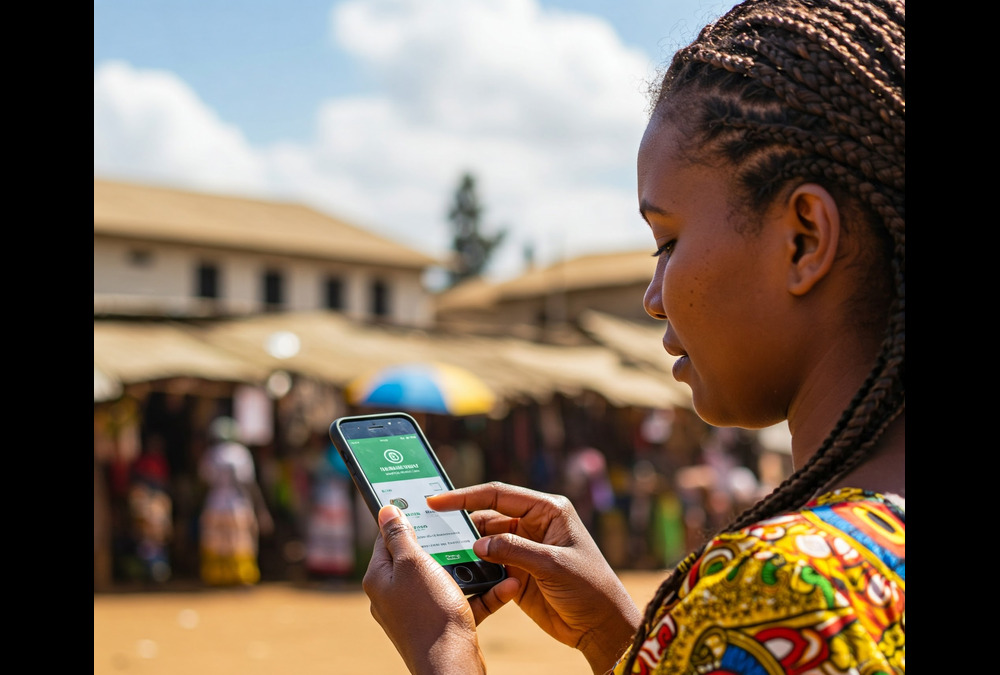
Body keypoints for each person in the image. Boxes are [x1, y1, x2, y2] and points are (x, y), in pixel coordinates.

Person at [361, 0, 904, 673]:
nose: (653, 298)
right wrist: (620, 633)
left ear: (804, 239)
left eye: (668, 240)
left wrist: (441, 644)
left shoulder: (786, 592)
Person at [198, 416, 274, 586]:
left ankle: (217, 577)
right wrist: (260, 509)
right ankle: (242, 578)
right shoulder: (240, 453)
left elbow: (204, 481)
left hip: (215, 503)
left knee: (216, 542)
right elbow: (248, 483)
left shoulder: (210, 454)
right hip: (236, 503)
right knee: (240, 542)